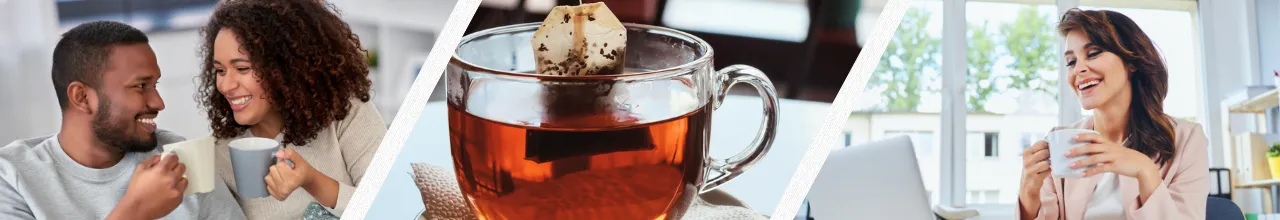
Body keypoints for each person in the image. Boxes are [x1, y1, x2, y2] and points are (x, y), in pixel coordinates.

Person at [0, 21, 247, 219]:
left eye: (155, 84)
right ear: (82, 97)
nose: (158, 103)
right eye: (140, 86)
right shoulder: (12, 176)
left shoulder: (179, 158)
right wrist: (136, 211)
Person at [196, 0, 386, 219]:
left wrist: (312, 181)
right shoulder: (220, 155)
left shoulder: (346, 114)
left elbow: (389, 205)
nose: (226, 85)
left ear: (285, 66)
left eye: (242, 68)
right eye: (220, 70)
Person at [1016, 9, 1208, 220]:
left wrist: (1145, 171)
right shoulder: (1060, 142)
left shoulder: (1186, 139)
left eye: (1093, 53)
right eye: (1071, 62)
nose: (1079, 69)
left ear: (1132, 61)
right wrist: (1028, 194)